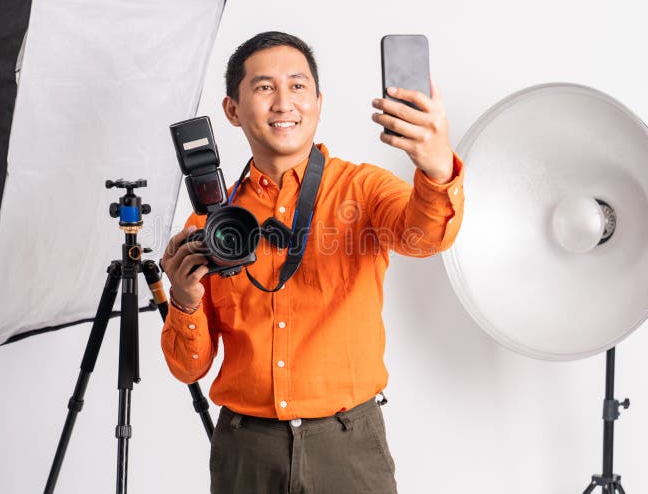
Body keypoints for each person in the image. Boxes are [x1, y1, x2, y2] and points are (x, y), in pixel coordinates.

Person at [160, 31, 464, 494]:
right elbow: (188, 369)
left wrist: (437, 168)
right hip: (246, 450)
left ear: (319, 103)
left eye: (298, 86)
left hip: (348, 445)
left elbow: (425, 238)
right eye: (264, 87)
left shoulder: (363, 190)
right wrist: (184, 299)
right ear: (232, 111)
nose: (284, 103)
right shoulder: (211, 224)